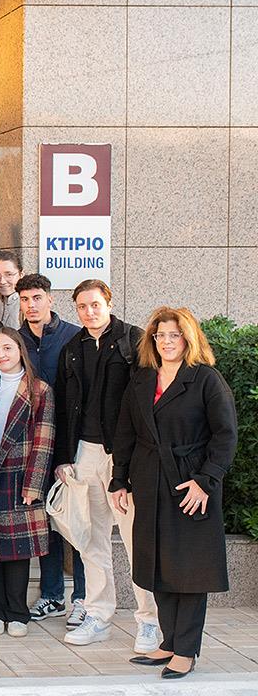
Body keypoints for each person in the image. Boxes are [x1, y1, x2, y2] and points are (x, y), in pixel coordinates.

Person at [111, 307, 237, 679]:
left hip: (190, 484)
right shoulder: (142, 379)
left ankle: (185, 649)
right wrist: (120, 480)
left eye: (174, 335)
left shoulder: (206, 379)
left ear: (188, 338)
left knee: (189, 568)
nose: (166, 342)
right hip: (150, 480)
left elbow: (225, 435)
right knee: (158, 563)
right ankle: (168, 642)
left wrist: (206, 480)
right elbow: (125, 432)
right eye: (160, 335)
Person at [53, 279, 158, 650]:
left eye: (95, 304)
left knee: (135, 540)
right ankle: (98, 615)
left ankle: (149, 620)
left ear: (108, 303)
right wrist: (64, 456)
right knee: (91, 540)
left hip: (122, 457)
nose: (89, 312)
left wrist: (131, 463)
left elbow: (147, 405)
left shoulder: (134, 340)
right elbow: (63, 406)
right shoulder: (72, 348)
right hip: (84, 453)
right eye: (82, 306)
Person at [15, 273, 86, 626]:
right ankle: (52, 595)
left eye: (37, 298)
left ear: (50, 299)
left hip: (71, 442)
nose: (31, 305)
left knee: (79, 523)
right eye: (25, 299)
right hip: (35, 444)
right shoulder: (17, 340)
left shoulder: (73, 336)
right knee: (45, 521)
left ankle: (84, 598)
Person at [0, 328, 54, 638]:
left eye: (7, 348)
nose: (1, 355)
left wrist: (33, 485)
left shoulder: (39, 390)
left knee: (18, 548)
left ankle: (17, 612)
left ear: (20, 350)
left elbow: (44, 440)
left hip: (20, 473)